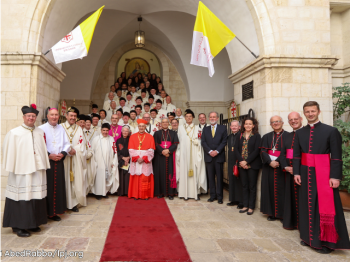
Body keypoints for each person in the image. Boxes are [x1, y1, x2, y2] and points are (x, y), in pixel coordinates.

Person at [293, 101, 350, 253]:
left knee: (324, 207)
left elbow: (337, 156)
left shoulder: (331, 131)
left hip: (324, 174)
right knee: (306, 205)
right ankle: (307, 237)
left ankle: (326, 242)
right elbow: (297, 156)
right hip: (305, 173)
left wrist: (335, 177)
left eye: (313, 111)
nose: (310, 114)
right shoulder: (299, 133)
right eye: (307, 111)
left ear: (318, 111)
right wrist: (297, 173)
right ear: (304, 113)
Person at [2, 104, 50, 237]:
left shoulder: (40, 132)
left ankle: (33, 223)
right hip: (21, 171)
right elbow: (9, 151)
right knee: (21, 197)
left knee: (36, 196)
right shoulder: (15, 133)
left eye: (33, 116)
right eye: (28, 116)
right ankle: (18, 226)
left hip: (37, 170)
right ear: (23, 117)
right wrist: (14, 167)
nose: (31, 118)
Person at [39, 108, 71, 222]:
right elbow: (38, 146)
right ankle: (46, 212)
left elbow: (67, 144)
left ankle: (54, 212)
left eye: (56, 115)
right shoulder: (41, 129)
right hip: (46, 162)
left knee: (58, 187)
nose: (54, 117)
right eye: (52, 115)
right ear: (47, 116)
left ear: (59, 116)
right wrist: (48, 155)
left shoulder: (61, 128)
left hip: (59, 161)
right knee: (47, 187)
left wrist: (62, 154)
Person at [260, 115, 289, 221]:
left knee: (283, 191)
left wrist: (278, 162)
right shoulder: (266, 136)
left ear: (282, 123)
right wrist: (269, 162)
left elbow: (289, 153)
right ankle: (271, 213)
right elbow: (263, 151)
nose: (275, 123)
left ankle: (282, 214)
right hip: (269, 168)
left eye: (277, 121)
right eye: (273, 122)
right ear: (270, 124)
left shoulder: (289, 136)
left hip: (282, 168)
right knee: (270, 190)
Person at [176, 109, 207, 200]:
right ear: (184, 118)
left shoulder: (198, 128)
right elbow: (178, 141)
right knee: (184, 172)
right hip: (184, 154)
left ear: (193, 118)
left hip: (194, 153)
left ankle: (195, 193)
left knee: (195, 172)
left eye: (190, 116)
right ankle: (184, 193)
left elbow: (202, 140)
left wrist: (198, 142)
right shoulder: (180, 128)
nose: (188, 118)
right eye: (187, 117)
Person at [61, 107, 87, 212]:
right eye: (71, 115)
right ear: (66, 116)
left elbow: (82, 144)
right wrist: (67, 150)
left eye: (75, 116)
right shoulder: (60, 127)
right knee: (64, 180)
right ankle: (63, 203)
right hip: (64, 159)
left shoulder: (79, 129)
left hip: (75, 159)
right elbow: (57, 141)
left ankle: (73, 203)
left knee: (75, 180)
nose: (73, 118)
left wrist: (75, 150)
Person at [279, 112, 303, 230]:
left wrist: (298, 169)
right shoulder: (287, 136)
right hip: (289, 173)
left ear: (301, 119)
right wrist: (286, 167)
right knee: (290, 199)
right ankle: (291, 222)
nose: (293, 121)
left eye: (295, 119)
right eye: (291, 120)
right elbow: (282, 154)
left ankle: (302, 224)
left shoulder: (306, 133)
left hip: (303, 173)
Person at [235, 117, 262, 215]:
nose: (248, 125)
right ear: (243, 125)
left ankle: (251, 207)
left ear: (253, 125)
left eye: (250, 124)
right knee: (244, 185)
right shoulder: (240, 135)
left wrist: (247, 162)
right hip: (242, 164)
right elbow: (237, 150)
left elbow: (256, 151)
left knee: (252, 186)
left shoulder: (257, 136)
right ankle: (245, 205)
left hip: (252, 165)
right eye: (246, 124)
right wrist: (242, 162)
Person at [201, 112, 228, 204]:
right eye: (211, 117)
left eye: (214, 117)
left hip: (219, 156)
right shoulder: (205, 129)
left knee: (220, 177)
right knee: (211, 177)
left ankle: (220, 197)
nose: (212, 118)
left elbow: (224, 141)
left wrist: (217, 151)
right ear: (209, 118)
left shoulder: (223, 128)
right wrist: (209, 151)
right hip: (209, 157)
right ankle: (212, 196)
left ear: (217, 118)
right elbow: (203, 142)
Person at [128, 119, 156, 200]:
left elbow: (151, 151)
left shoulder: (150, 137)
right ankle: (135, 194)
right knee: (136, 177)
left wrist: (143, 158)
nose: (141, 128)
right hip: (136, 161)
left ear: (145, 127)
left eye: (143, 126)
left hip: (145, 161)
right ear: (138, 127)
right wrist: (137, 158)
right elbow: (131, 150)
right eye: (139, 126)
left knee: (145, 178)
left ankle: (145, 195)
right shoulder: (132, 136)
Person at [91, 123, 119, 200]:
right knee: (98, 177)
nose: (105, 132)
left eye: (107, 130)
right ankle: (97, 193)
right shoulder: (96, 139)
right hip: (98, 162)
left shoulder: (111, 139)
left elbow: (115, 151)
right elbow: (92, 151)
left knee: (107, 177)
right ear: (101, 130)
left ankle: (104, 192)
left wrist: (114, 162)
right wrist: (94, 162)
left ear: (109, 131)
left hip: (108, 162)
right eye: (104, 130)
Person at [153, 118, 179, 199]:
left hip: (170, 157)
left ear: (169, 123)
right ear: (161, 124)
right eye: (163, 122)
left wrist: (169, 151)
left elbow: (175, 143)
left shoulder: (173, 133)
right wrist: (163, 151)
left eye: (166, 122)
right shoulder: (157, 133)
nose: (165, 123)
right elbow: (155, 144)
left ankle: (170, 193)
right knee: (160, 174)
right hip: (159, 157)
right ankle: (160, 192)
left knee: (170, 173)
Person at [226, 121, 243, 208]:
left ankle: (240, 201)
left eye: (236, 126)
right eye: (232, 126)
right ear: (230, 127)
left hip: (238, 160)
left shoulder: (241, 136)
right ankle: (233, 199)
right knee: (231, 180)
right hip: (231, 161)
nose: (234, 127)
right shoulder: (229, 136)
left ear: (239, 127)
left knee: (238, 181)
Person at [83, 116, 97, 194]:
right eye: (86, 122)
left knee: (91, 172)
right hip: (84, 155)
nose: (88, 124)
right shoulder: (81, 132)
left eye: (89, 122)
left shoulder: (95, 132)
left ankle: (91, 190)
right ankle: (84, 190)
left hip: (92, 155)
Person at [116, 126, 131, 196]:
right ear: (121, 132)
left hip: (130, 161)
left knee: (128, 177)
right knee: (121, 177)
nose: (125, 132)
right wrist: (123, 158)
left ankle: (128, 192)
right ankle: (121, 192)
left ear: (129, 133)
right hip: (121, 160)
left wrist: (128, 158)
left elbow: (133, 150)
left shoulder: (131, 140)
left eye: (126, 131)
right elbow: (117, 151)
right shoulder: (118, 141)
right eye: (124, 131)